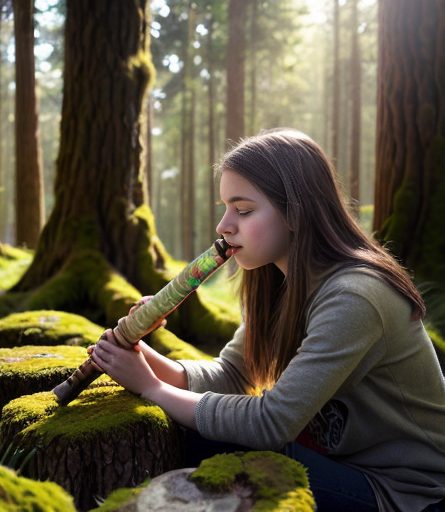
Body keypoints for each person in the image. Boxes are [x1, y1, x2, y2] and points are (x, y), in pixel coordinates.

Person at [89, 128, 445, 512]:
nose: (224, 225)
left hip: (406, 492)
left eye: (243, 210)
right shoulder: (279, 282)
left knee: (205, 440)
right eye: (225, 208)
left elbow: (273, 422)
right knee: (194, 429)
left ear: (296, 211)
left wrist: (152, 390)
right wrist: (140, 359)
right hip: (339, 463)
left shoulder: (354, 295)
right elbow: (233, 375)